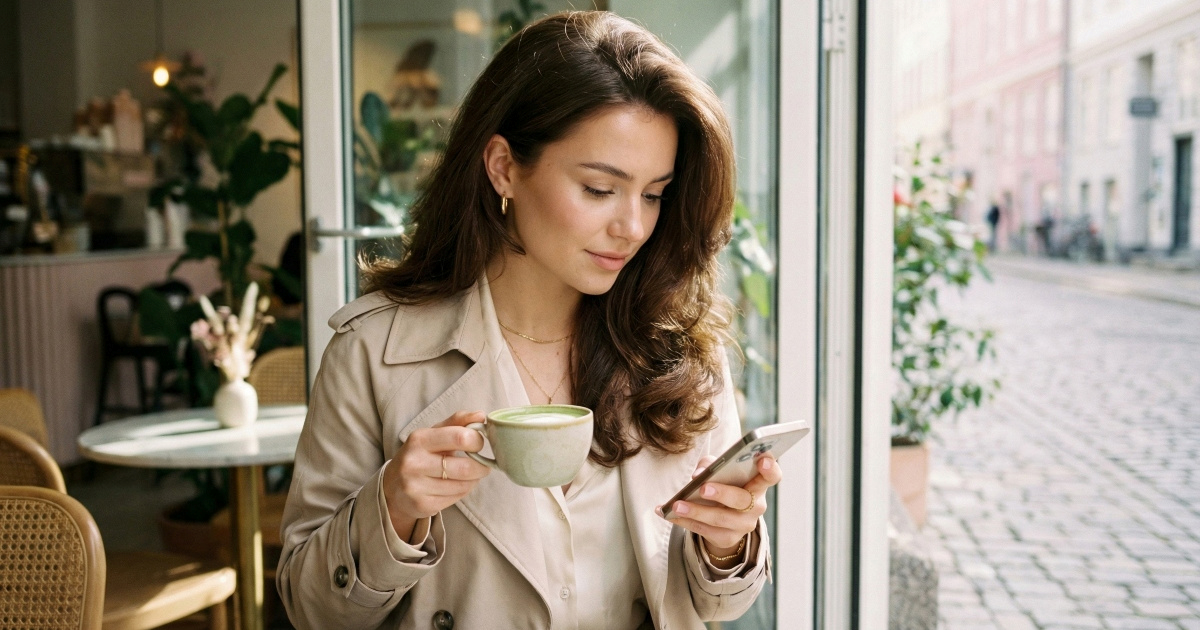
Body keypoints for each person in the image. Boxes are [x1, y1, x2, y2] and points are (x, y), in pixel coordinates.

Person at [277, 11, 780, 630]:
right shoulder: (374, 353)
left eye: (653, 194)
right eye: (600, 188)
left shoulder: (678, 355)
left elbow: (719, 605)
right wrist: (394, 508)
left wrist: (728, 544)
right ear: (504, 167)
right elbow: (309, 608)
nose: (632, 227)